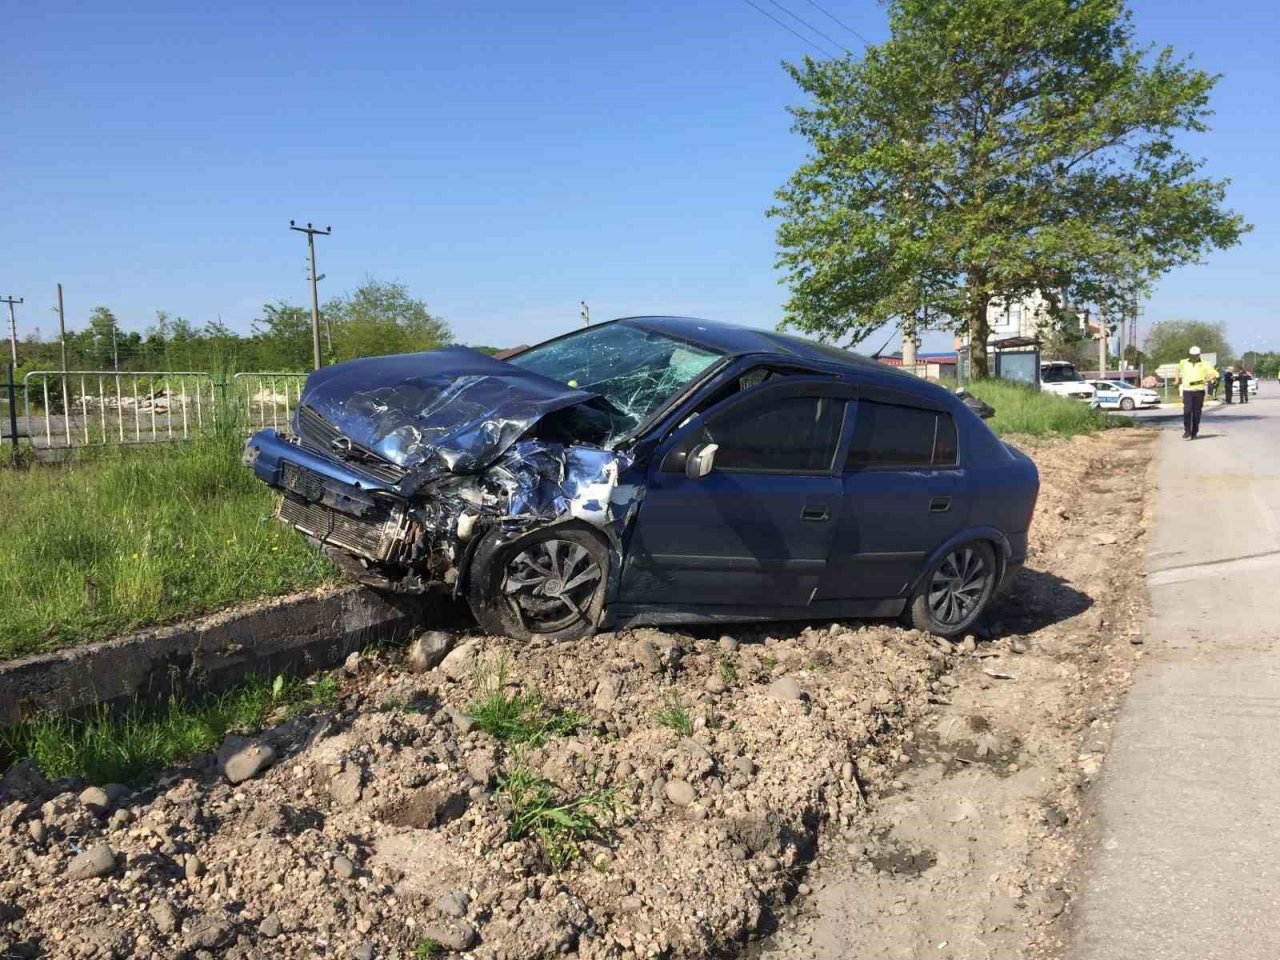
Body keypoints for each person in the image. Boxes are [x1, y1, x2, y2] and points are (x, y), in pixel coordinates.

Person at [1175, 345, 1217, 440]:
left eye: (1196, 355)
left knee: (1196, 412)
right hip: (1187, 390)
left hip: (1199, 390)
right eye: (1192, 355)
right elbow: (1177, 368)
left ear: (1199, 355)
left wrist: (1208, 378)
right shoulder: (1183, 362)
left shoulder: (1205, 363)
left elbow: (1213, 374)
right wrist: (1177, 380)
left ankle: (1194, 431)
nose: (1194, 357)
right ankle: (1187, 431)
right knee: (1187, 410)